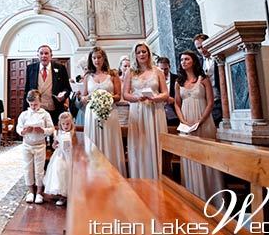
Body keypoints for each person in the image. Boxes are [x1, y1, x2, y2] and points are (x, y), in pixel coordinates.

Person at [174, 50, 224, 205]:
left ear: (194, 61)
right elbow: (176, 103)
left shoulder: (203, 79)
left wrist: (200, 120)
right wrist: (183, 120)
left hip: (203, 120)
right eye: (182, 59)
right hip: (186, 123)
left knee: (207, 156)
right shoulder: (179, 82)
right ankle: (193, 195)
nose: (183, 62)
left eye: (187, 59)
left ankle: (213, 198)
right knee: (190, 157)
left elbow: (210, 101)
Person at [123, 41, 169, 179]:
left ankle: (158, 177)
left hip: (155, 110)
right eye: (138, 52)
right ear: (135, 55)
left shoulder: (157, 71)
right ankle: (140, 177)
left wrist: (155, 98)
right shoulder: (130, 72)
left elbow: (165, 93)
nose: (141, 54)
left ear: (148, 53)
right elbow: (125, 94)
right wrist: (136, 98)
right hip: (137, 110)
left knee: (154, 144)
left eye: (144, 51)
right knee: (140, 144)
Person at [81, 47, 126, 176]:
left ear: (104, 58)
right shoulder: (88, 76)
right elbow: (83, 97)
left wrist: (107, 98)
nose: (96, 60)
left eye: (99, 57)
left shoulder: (113, 74)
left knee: (109, 141)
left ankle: (112, 174)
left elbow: (118, 96)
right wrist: (88, 98)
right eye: (94, 58)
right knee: (93, 142)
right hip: (92, 114)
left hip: (109, 113)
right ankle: (94, 174)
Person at [17, 89, 54, 205]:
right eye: (32, 104)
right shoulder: (24, 114)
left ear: (40, 102)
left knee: (39, 170)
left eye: (36, 104)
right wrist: (24, 131)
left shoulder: (45, 114)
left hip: (40, 145)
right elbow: (18, 128)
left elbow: (52, 129)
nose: (34, 106)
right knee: (28, 169)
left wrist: (42, 130)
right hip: (27, 145)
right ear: (28, 102)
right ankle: (30, 191)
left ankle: (39, 192)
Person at [22, 44, 72, 125]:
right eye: (41, 53)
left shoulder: (60, 68)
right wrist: (25, 110)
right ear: (37, 55)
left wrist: (63, 95)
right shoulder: (31, 68)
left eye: (46, 53)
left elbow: (67, 89)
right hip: (36, 111)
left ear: (51, 56)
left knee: (53, 134)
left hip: (54, 110)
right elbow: (27, 91)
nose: (43, 56)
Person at [43, 111, 74, 206]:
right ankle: (60, 193)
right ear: (60, 123)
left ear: (71, 123)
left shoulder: (72, 133)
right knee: (58, 170)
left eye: (67, 124)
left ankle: (67, 194)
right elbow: (54, 144)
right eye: (63, 124)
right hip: (59, 155)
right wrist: (54, 145)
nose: (65, 126)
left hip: (69, 155)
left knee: (67, 171)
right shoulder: (58, 132)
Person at [193, 33, 222, 127]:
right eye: (198, 48)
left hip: (221, 98)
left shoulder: (220, 56)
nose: (202, 50)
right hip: (207, 101)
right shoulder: (199, 64)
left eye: (203, 46)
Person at [156, 56, 180, 126]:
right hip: (160, 111)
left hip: (175, 112)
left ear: (169, 67)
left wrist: (174, 100)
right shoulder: (154, 81)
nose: (163, 71)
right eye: (161, 69)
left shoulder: (177, 78)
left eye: (165, 69)